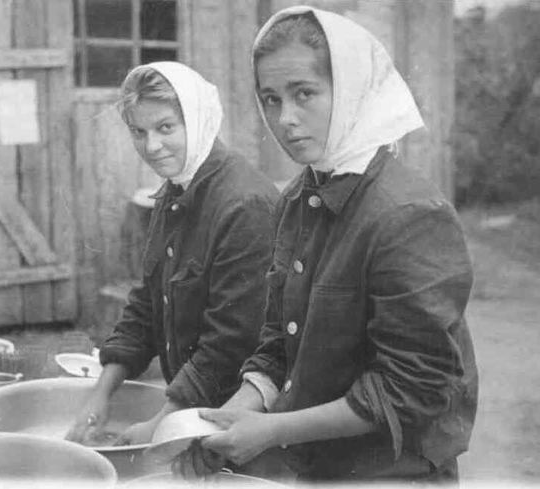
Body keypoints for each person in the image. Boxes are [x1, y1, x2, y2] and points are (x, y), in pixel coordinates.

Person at [174, 6, 478, 483]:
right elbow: (279, 342)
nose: (285, 119)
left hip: (394, 472)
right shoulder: (298, 198)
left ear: (353, 90)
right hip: (318, 465)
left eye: (305, 94)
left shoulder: (409, 214)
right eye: (271, 99)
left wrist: (271, 431)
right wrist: (229, 417)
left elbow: (412, 389)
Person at [66, 61, 279, 446]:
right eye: (138, 131)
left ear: (197, 120)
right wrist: (101, 392)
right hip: (192, 409)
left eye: (165, 128)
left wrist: (161, 423)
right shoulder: (176, 189)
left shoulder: (244, 206)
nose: (151, 146)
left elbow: (231, 344)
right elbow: (147, 304)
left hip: (236, 424)